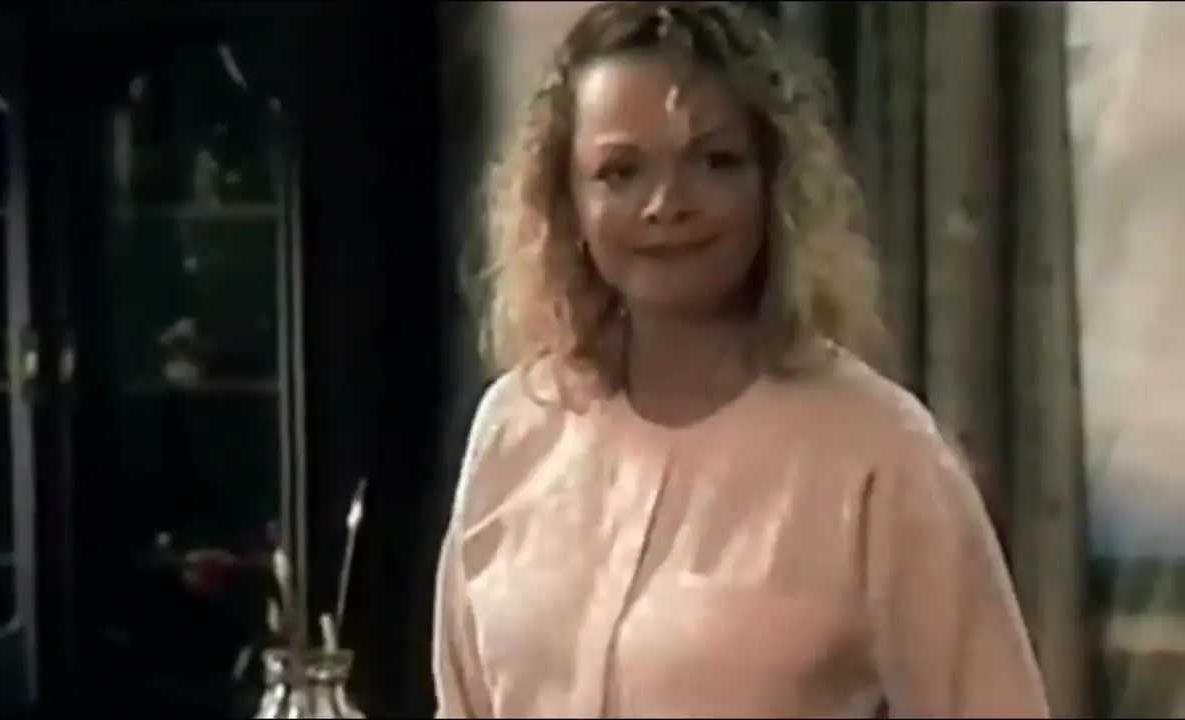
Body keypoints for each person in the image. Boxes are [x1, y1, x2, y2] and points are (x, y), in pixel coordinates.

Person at [433, 2, 1050, 717]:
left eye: (714, 162)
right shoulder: (514, 424)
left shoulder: (880, 452)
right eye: (620, 171)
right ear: (566, 202)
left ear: (773, 185)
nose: (667, 204)